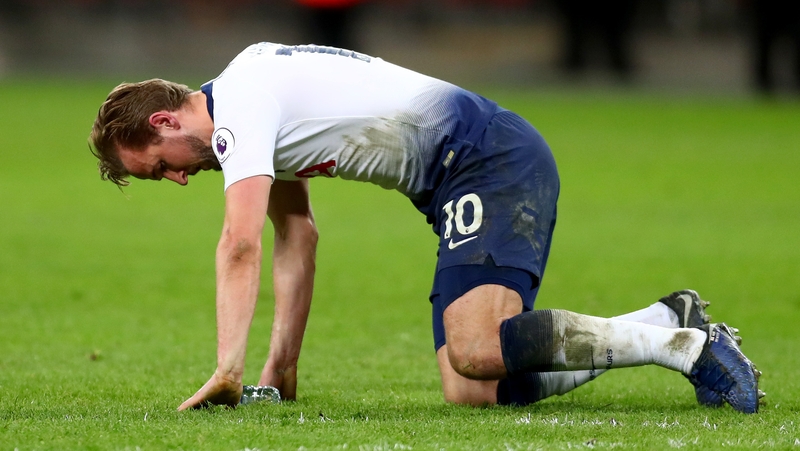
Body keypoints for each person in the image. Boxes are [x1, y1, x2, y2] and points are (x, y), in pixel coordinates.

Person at [89, 42, 763, 413]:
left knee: (475, 348)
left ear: (164, 121)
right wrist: (280, 367)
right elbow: (297, 236)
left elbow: (240, 243)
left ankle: (686, 347)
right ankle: (663, 317)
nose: (178, 179)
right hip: (463, 175)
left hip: (485, 158)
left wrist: (227, 371)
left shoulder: (239, 109)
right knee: (471, 386)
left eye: (160, 167)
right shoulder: (248, 89)